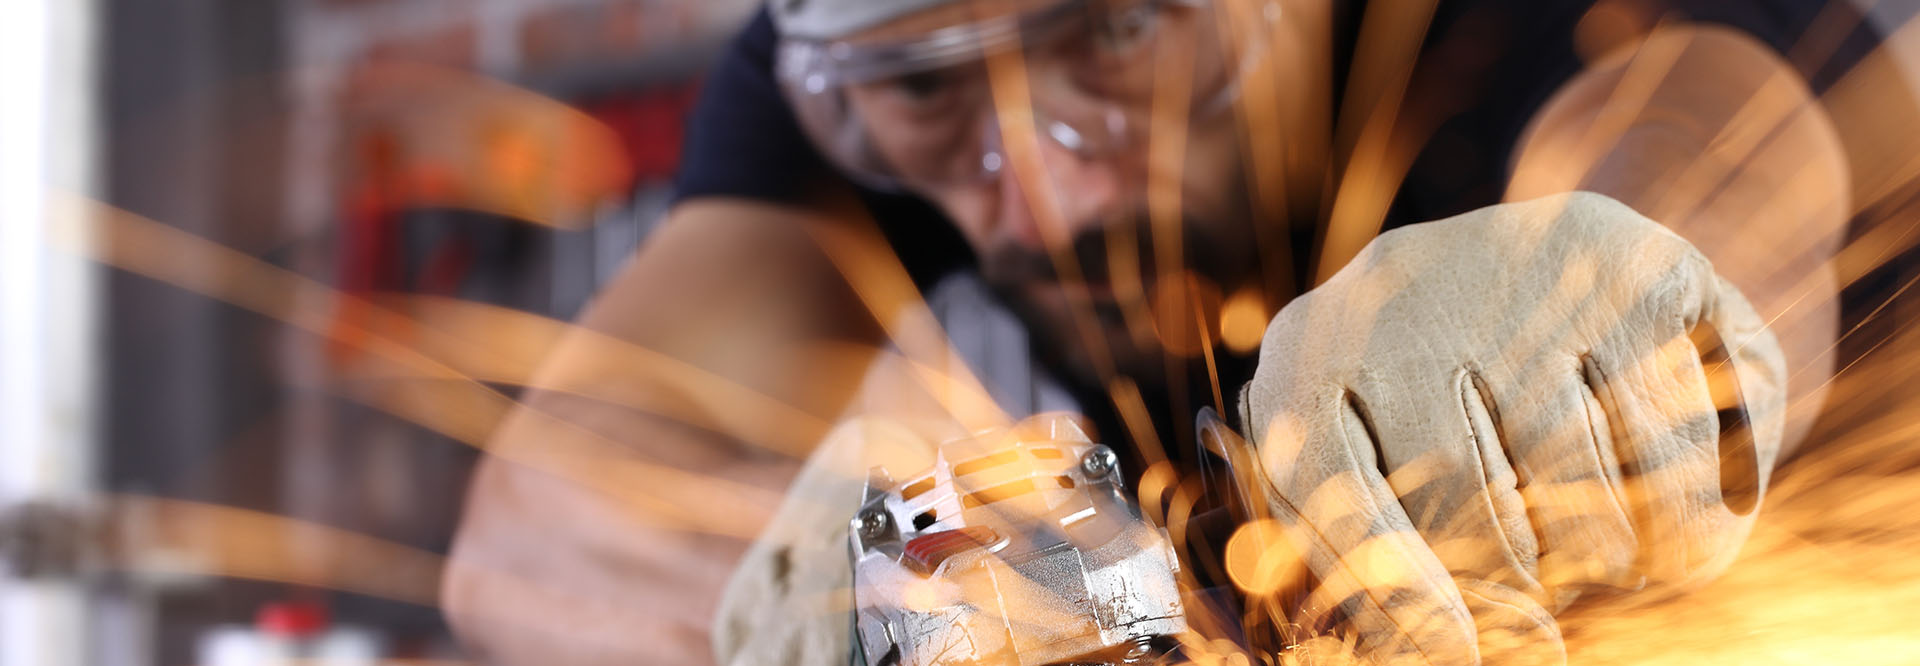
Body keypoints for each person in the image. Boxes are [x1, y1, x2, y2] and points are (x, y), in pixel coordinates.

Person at [441, 0, 1896, 663]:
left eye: (1121, 34)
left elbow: (1719, 148)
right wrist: (854, 578)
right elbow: (530, 540)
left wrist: (1610, 286)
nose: (1053, 193)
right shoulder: (866, 27)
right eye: (931, 95)